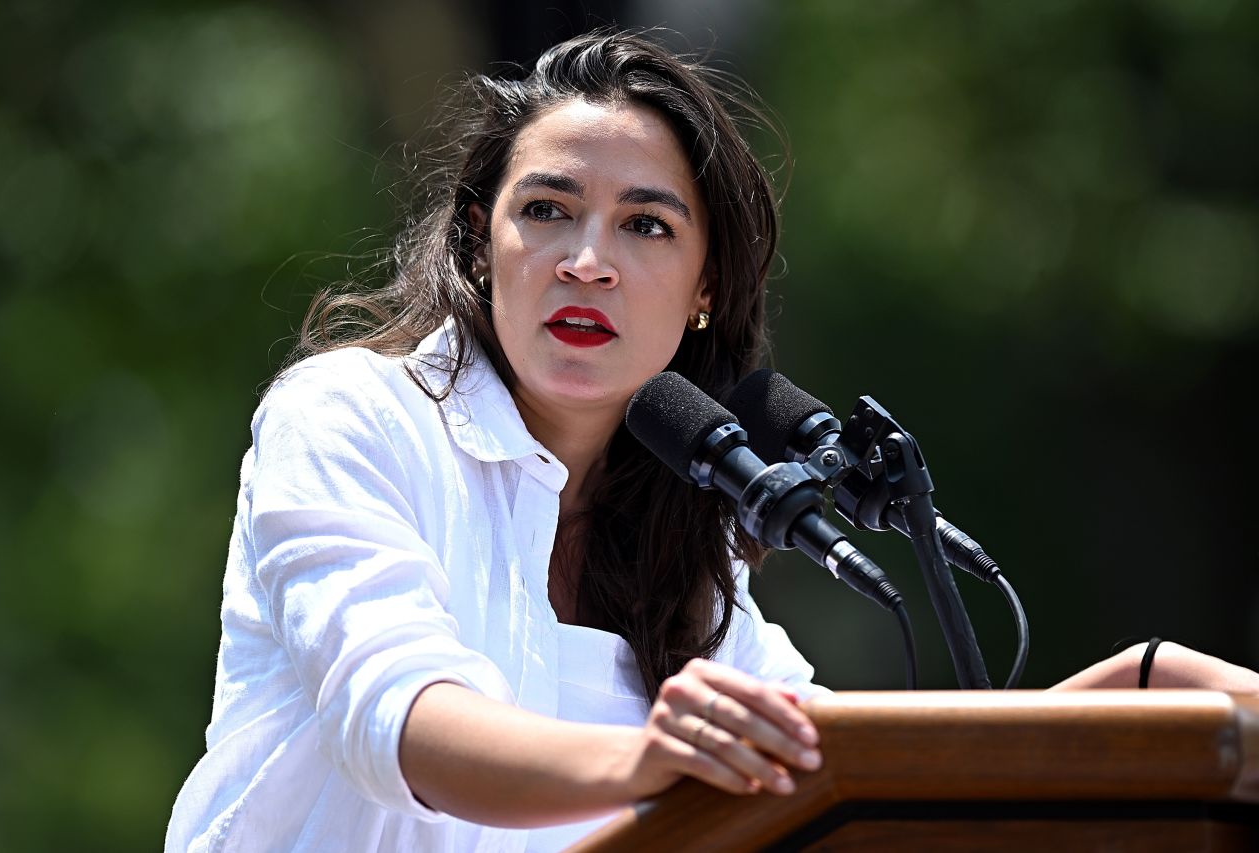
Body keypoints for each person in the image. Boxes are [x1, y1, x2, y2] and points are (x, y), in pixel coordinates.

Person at [166, 29, 1259, 853]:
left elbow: (849, 785)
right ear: (475, 239)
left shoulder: (693, 548)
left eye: (645, 225)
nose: (587, 259)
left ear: (701, 292)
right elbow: (403, 723)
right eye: (545, 209)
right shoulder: (350, 415)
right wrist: (651, 759)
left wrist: (1131, 693)